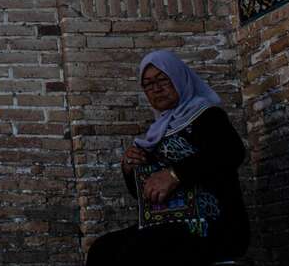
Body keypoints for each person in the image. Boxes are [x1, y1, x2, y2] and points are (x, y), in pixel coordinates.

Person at [86, 49, 249, 265]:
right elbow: (147, 195)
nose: (156, 89)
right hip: (169, 223)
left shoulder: (206, 115)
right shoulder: (157, 133)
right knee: (102, 249)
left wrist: (175, 174)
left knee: (138, 251)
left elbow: (231, 152)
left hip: (212, 223)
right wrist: (130, 169)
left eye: (163, 79)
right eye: (148, 84)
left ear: (178, 78)